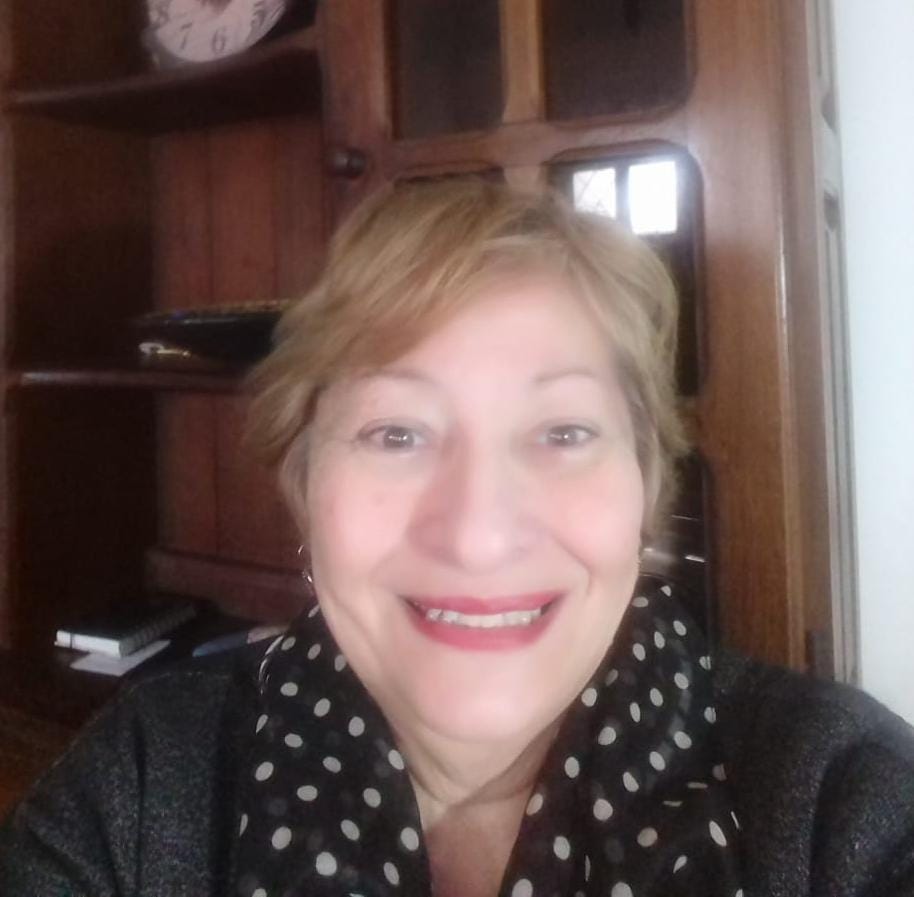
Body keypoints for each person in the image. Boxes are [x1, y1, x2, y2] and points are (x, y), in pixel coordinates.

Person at [2, 180, 913, 897]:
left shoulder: (839, 795)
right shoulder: (147, 780)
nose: (478, 534)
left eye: (563, 431)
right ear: (305, 489)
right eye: (397, 433)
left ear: (646, 493)